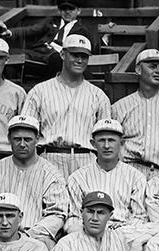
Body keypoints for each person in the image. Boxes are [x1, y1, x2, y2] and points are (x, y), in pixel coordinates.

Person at [21, 34, 112, 177]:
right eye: (75, 55)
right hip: (50, 157)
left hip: (87, 159)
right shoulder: (39, 91)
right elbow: (25, 131)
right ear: (63, 54)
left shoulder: (98, 96)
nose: (80, 60)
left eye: (84, 56)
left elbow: (106, 137)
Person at [0, 115, 68, 249]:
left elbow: (57, 213)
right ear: (9, 139)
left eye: (27, 139)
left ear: (37, 139)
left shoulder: (51, 173)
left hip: (36, 237)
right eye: (17, 139)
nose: (22, 144)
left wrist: (28, 235)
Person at [63, 118, 149, 236]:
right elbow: (73, 217)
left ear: (122, 143)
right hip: (88, 234)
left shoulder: (136, 177)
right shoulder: (78, 177)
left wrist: (124, 230)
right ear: (93, 144)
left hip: (124, 234)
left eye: (112, 140)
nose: (107, 146)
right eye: (102, 140)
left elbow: (139, 217)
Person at [0, 0, 100, 76]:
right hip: (41, 51)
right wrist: (10, 32)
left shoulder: (82, 29)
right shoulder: (52, 21)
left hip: (58, 55)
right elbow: (33, 29)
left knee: (57, 59)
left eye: (71, 9)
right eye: (63, 9)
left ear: (78, 11)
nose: (67, 12)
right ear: (59, 10)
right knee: (11, 54)